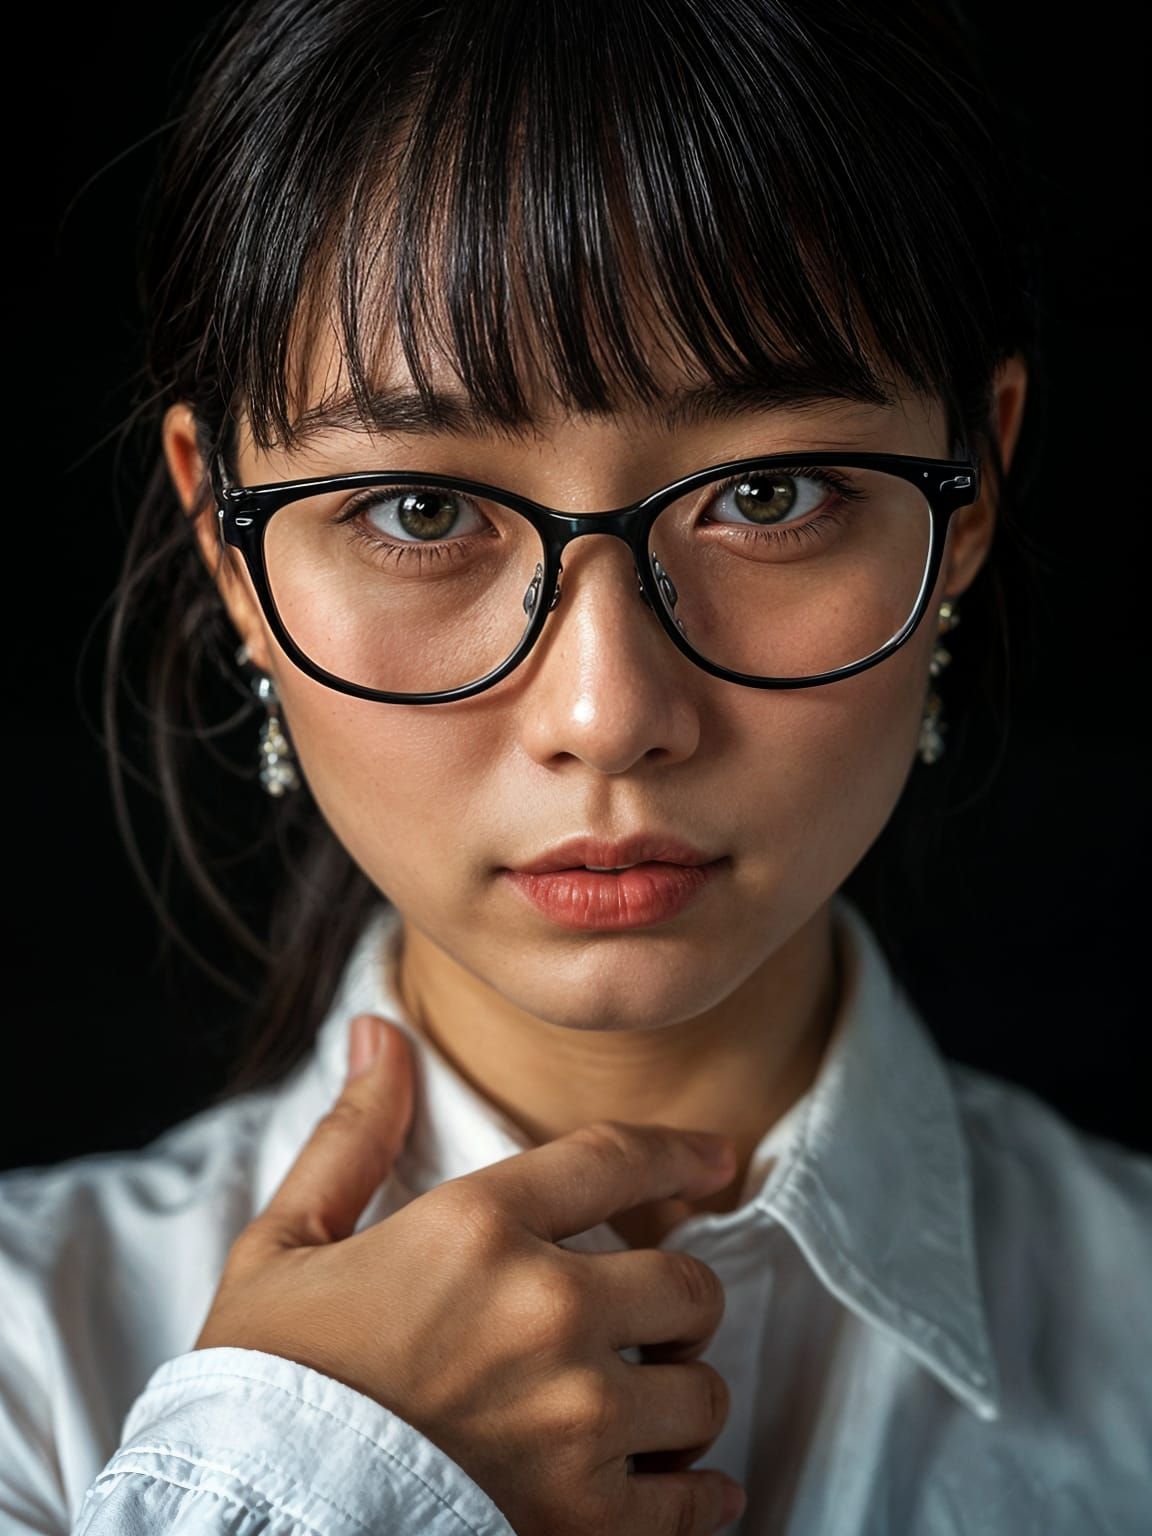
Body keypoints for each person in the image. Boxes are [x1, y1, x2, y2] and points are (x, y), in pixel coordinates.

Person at [1, 0, 1148, 1532]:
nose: (609, 715)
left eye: (771, 492)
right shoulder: (27, 1364)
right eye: (419, 514)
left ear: (973, 492)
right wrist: (318, 1479)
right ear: (231, 546)